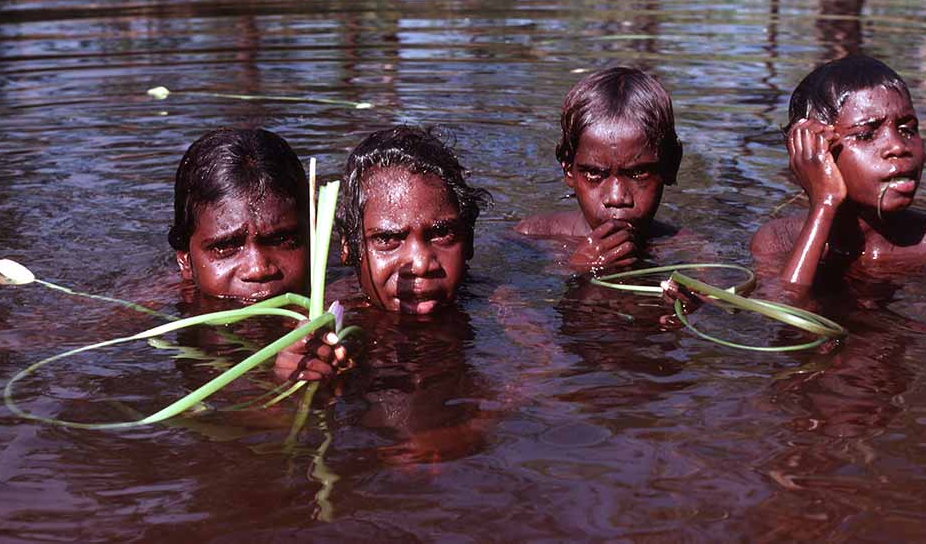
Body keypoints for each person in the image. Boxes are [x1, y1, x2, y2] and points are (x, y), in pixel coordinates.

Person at [749, 54, 926, 305]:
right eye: (865, 134)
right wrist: (824, 201)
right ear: (815, 151)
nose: (898, 147)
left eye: (908, 129)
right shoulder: (777, 240)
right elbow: (783, 319)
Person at [274, 125, 491, 381]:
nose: (422, 264)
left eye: (442, 234)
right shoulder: (319, 319)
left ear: (470, 241)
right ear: (348, 248)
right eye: (387, 239)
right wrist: (289, 378)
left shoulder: (501, 308)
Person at [515, 66, 684, 272]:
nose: (616, 197)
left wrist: (688, 303)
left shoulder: (690, 252)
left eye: (638, 173)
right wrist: (579, 270)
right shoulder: (531, 236)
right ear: (568, 169)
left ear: (671, 166)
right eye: (594, 173)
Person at [169, 127, 309, 306]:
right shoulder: (146, 313)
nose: (258, 269)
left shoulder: (343, 299)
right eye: (225, 246)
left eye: (281, 239)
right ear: (186, 262)